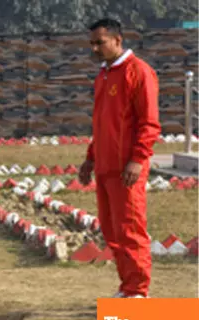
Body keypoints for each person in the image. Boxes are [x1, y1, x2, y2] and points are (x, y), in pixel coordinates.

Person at [79, 18, 161, 299]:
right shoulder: (104, 75)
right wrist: (90, 159)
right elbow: (102, 122)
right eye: (91, 43)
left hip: (126, 168)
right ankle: (127, 287)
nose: (95, 49)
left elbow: (149, 123)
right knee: (113, 231)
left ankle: (139, 290)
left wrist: (137, 159)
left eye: (99, 43)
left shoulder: (138, 72)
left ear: (117, 40)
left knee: (130, 229)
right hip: (104, 166)